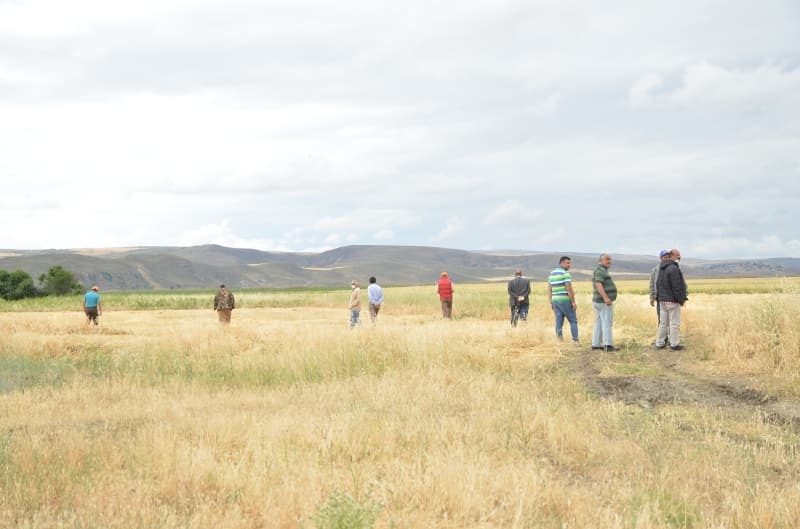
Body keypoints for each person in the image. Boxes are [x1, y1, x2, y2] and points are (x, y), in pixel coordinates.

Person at [655, 248, 688, 351]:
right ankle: (674, 344)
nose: (679, 257)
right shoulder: (673, 268)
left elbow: (658, 284)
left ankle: (660, 343)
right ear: (672, 256)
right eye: (677, 255)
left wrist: (658, 298)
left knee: (663, 323)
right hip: (672, 301)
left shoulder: (662, 267)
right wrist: (681, 299)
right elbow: (676, 286)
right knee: (674, 323)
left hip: (662, 301)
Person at [548, 256, 578, 343]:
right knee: (573, 320)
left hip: (555, 300)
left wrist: (551, 302)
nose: (569, 265)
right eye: (567, 263)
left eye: (569, 263)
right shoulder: (565, 274)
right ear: (561, 263)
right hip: (565, 300)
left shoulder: (552, 274)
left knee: (559, 320)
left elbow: (549, 289)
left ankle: (559, 341)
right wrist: (573, 302)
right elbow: (569, 288)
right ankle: (575, 341)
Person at [591, 254, 617, 351]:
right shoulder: (600, 271)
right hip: (603, 302)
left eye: (610, 259)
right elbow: (598, 284)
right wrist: (606, 298)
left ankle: (596, 344)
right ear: (600, 261)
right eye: (607, 259)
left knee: (598, 322)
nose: (609, 261)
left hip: (599, 302)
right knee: (607, 322)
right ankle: (608, 345)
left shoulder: (602, 270)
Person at [649, 249, 672, 325]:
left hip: (671, 298)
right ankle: (662, 336)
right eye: (665, 257)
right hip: (660, 298)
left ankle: (670, 335)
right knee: (661, 318)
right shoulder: (655, 270)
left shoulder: (672, 268)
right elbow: (652, 284)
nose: (667, 259)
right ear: (661, 258)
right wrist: (652, 297)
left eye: (668, 257)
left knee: (671, 319)